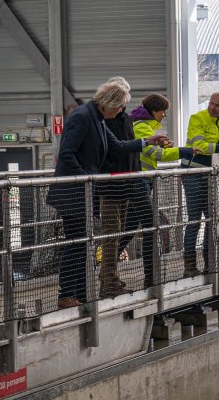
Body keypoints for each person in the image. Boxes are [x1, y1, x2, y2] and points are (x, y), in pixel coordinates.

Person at [46, 78, 167, 308]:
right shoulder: (82, 118)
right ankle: (66, 295)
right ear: (111, 104)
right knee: (76, 244)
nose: (123, 111)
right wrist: (88, 179)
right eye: (121, 106)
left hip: (84, 192)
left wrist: (146, 142)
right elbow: (67, 155)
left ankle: (80, 294)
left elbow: (118, 146)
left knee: (83, 244)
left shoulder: (98, 118)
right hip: (73, 193)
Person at [130, 93, 194, 287]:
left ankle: (109, 273)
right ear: (154, 111)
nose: (164, 115)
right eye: (163, 111)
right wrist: (182, 151)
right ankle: (151, 279)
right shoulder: (141, 127)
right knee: (150, 226)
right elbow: (155, 154)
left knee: (129, 227)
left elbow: (155, 152)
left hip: (143, 182)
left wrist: (165, 146)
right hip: (138, 182)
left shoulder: (146, 127)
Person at [183, 92, 219, 273]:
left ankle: (209, 262)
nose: (212, 108)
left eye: (217, 105)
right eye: (211, 103)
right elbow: (200, 147)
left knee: (211, 220)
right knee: (195, 219)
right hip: (193, 172)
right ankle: (190, 266)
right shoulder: (197, 118)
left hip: (214, 175)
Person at [96, 77, 143, 298]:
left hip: (125, 184)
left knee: (118, 233)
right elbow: (116, 150)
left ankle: (110, 278)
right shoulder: (105, 121)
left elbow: (130, 152)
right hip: (110, 186)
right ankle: (108, 280)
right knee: (111, 234)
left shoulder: (125, 119)